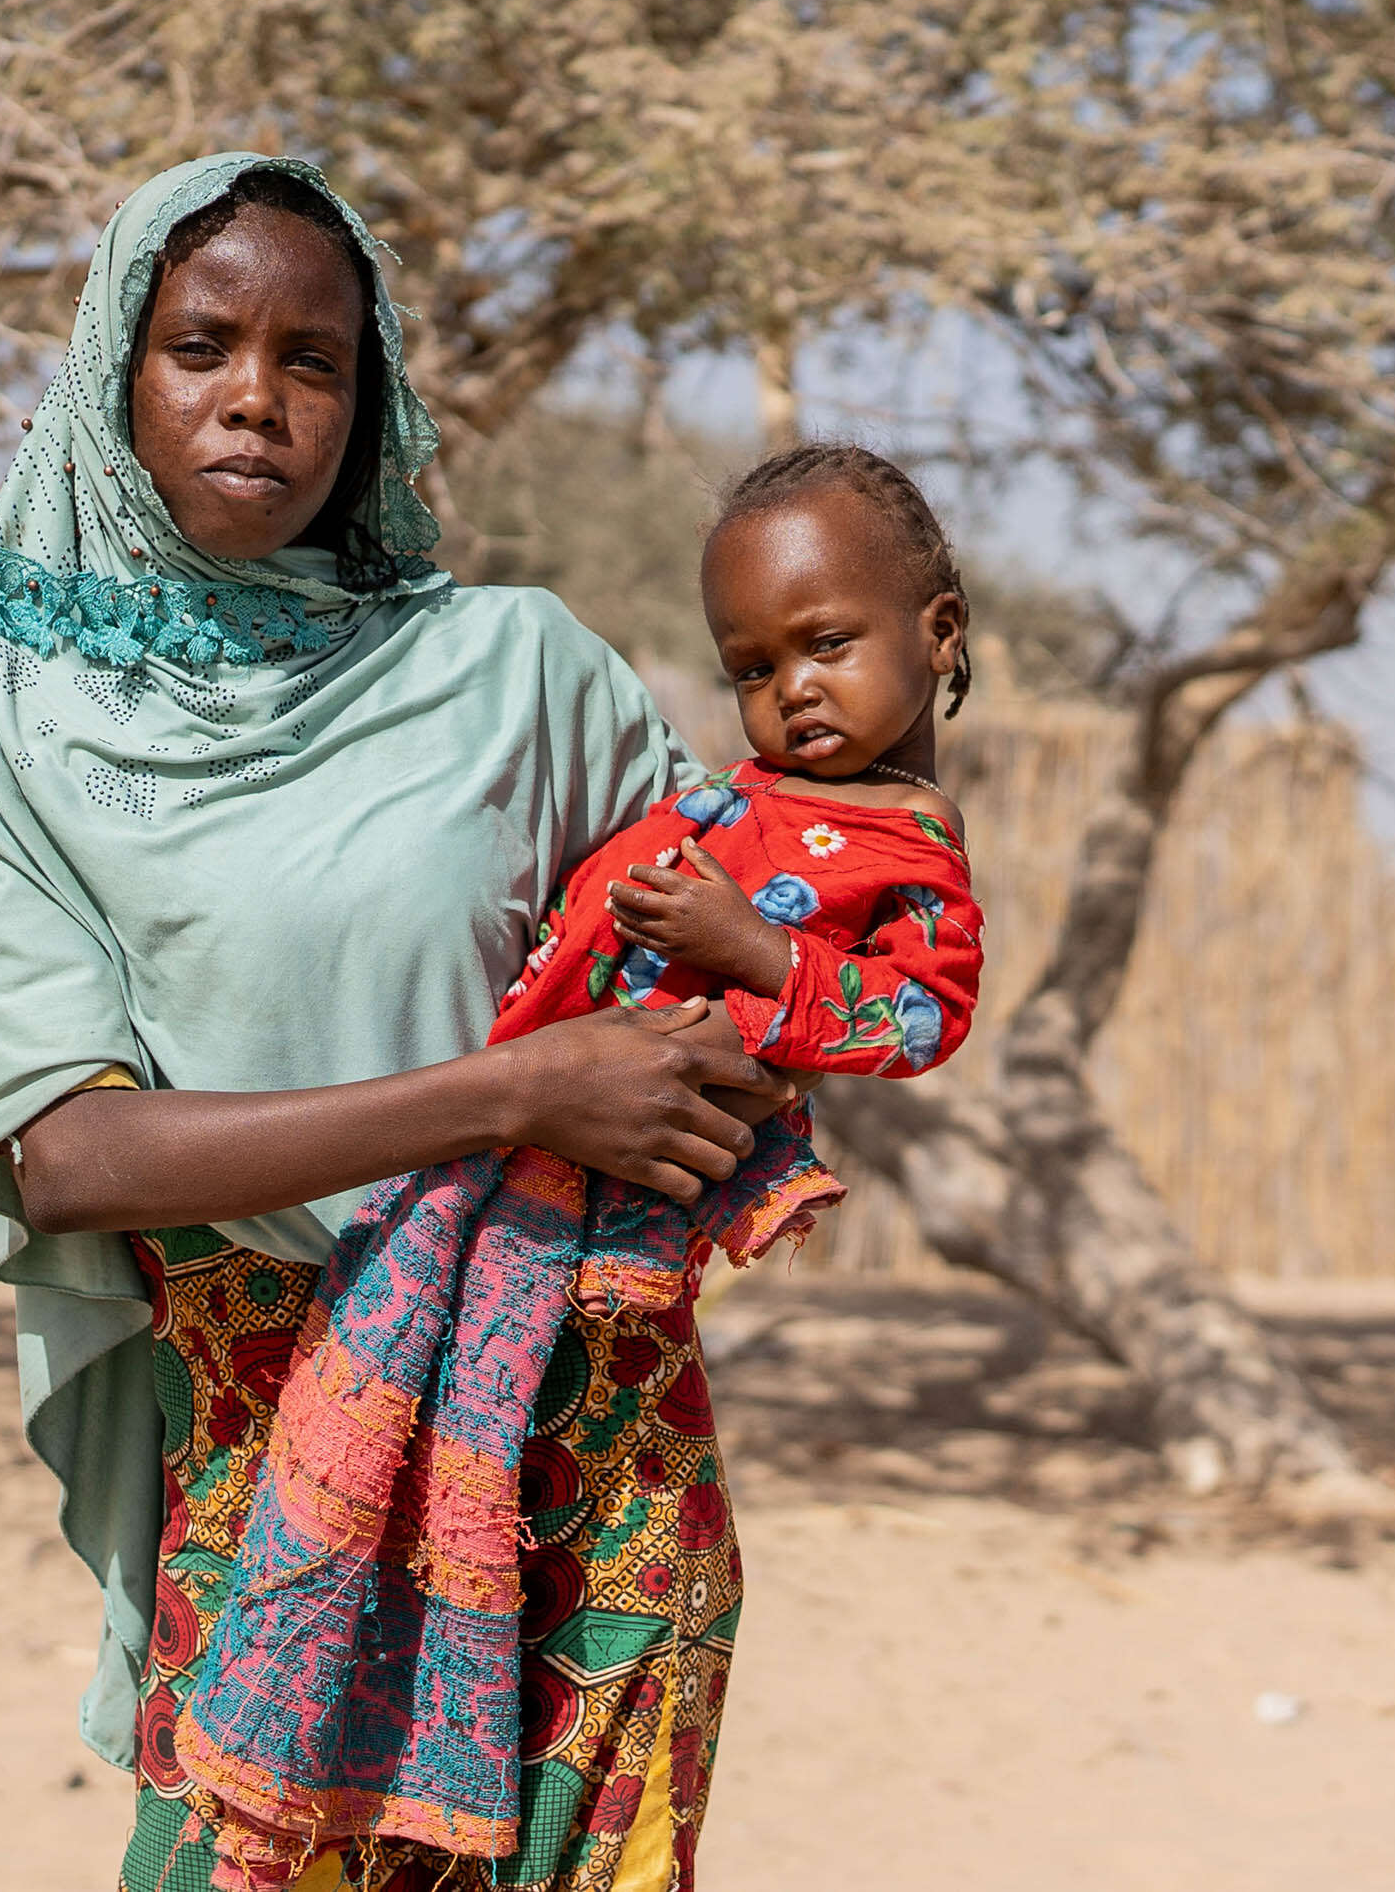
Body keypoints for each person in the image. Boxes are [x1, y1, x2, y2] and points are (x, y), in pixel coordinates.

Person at [0, 150, 787, 1892]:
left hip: (577, 1441)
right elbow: (67, 1152)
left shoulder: (514, 670)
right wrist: (513, 1091)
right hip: (269, 1435)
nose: (260, 398)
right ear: (113, 376)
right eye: (204, 348)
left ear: (368, 405)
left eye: (316, 361)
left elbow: (760, 954)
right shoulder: (8, 708)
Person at [161, 447, 988, 1887]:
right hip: (508, 1107)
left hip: (590, 1178)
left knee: (458, 1416)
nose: (794, 689)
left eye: (830, 645)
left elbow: (919, 1015)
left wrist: (751, 955)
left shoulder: (910, 850)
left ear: (943, 635)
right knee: (389, 1394)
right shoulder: (748, 790)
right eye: (753, 664)